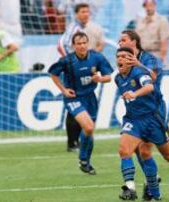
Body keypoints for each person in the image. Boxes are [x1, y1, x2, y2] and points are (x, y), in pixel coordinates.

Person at [115, 47, 169, 201]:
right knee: (124, 150)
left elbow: (149, 86)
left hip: (153, 120)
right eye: (118, 56)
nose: (120, 59)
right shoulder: (118, 78)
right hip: (133, 119)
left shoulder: (139, 73)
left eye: (124, 56)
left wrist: (134, 93)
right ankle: (131, 188)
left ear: (131, 60)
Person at [48, 32, 113, 175]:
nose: (82, 46)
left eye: (84, 43)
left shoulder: (96, 57)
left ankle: (85, 162)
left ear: (87, 43)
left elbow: (109, 77)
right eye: (79, 44)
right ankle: (82, 158)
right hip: (74, 98)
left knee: (89, 131)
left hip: (90, 98)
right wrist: (63, 90)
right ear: (73, 46)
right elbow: (53, 73)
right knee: (89, 127)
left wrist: (100, 79)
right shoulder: (67, 61)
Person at [118, 29, 164, 201]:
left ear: (134, 41)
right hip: (137, 113)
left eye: (123, 40)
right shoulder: (122, 62)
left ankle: (153, 181)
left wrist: (138, 65)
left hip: (155, 109)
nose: (120, 43)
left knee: (162, 153)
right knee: (132, 148)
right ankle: (144, 184)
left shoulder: (150, 59)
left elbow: (153, 79)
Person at [57, 3, 105, 152]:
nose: (86, 14)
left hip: (84, 71)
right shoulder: (74, 29)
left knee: (79, 104)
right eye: (83, 12)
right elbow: (61, 46)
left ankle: (75, 141)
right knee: (74, 104)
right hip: (74, 72)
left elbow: (99, 45)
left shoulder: (88, 28)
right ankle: (72, 142)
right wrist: (72, 64)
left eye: (87, 12)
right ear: (76, 14)